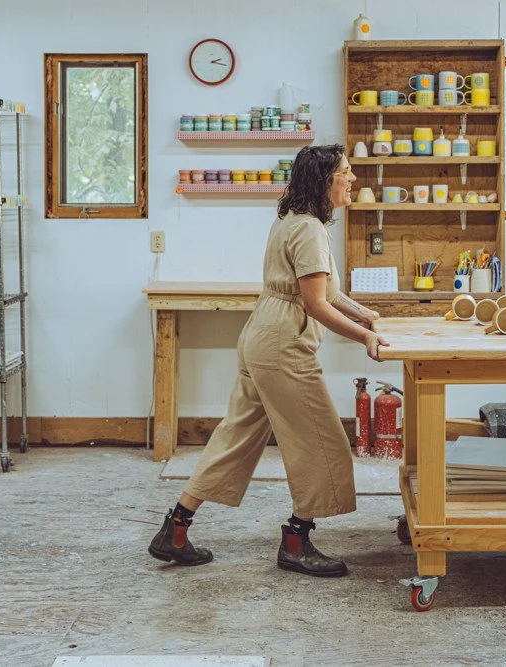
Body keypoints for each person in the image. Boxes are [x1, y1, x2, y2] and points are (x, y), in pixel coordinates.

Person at [148, 144, 387, 577]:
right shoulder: (311, 230)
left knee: (235, 436)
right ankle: (296, 541)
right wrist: (365, 336)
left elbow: (328, 293)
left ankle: (175, 530)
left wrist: (363, 313)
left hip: (261, 334)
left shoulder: (292, 220)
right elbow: (316, 305)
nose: (352, 179)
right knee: (321, 442)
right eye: (346, 173)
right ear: (324, 180)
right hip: (283, 345)